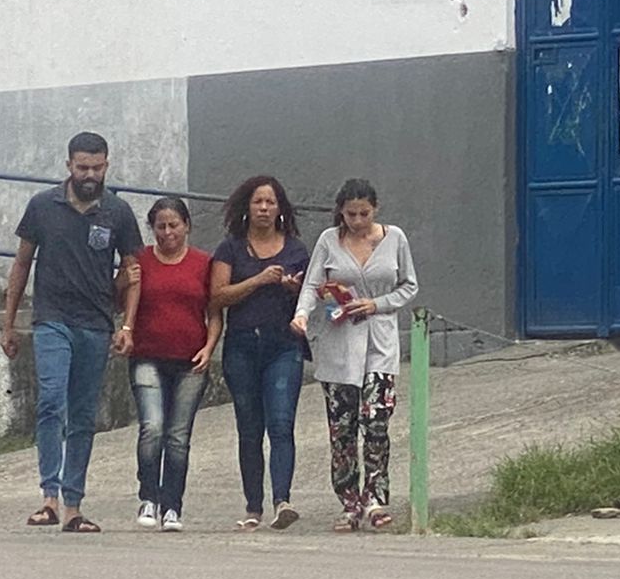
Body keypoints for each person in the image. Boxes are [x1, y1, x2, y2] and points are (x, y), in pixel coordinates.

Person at [1, 131, 143, 534]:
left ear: (107, 166)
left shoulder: (118, 212)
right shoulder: (43, 206)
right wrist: (8, 324)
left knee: (82, 415)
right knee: (51, 401)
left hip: (96, 325)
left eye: (97, 167)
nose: (89, 174)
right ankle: (48, 496)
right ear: (68, 165)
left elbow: (134, 273)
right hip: (52, 319)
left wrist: (127, 326)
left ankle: (73, 504)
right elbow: (21, 265)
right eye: (82, 167)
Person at [291, 178, 418, 532]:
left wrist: (377, 303)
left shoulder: (395, 239)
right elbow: (312, 285)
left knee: (376, 421)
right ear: (341, 212)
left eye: (364, 213)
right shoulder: (329, 241)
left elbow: (409, 285)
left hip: (379, 341)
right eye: (350, 214)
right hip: (339, 342)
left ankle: (376, 498)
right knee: (342, 428)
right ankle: (349, 501)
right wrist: (302, 314)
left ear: (375, 209)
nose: (357, 221)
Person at [211, 175, 310, 531]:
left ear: (280, 208)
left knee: (281, 423)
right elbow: (217, 296)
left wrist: (294, 288)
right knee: (249, 428)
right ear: (247, 207)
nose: (265, 209)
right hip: (241, 345)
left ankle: (282, 500)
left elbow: (311, 297)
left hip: (283, 344)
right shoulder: (231, 248)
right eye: (258, 202)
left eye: (271, 202)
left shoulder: (297, 249)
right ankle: (253, 506)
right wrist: (258, 280)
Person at [126, 196, 218, 533]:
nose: (167, 232)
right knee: (152, 427)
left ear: (187, 226)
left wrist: (209, 347)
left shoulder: (203, 263)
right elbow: (121, 297)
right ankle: (148, 496)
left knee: (178, 436)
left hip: (190, 360)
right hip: (147, 355)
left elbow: (214, 311)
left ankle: (173, 506)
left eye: (173, 225)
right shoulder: (140, 260)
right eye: (160, 226)